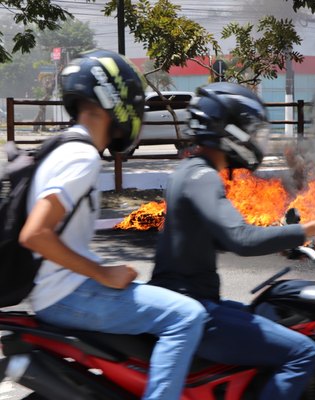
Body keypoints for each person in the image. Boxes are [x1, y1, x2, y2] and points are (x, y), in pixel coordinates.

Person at [19, 49, 206, 400]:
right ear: (114, 101)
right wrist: (102, 273)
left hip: (59, 290)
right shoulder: (81, 155)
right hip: (67, 295)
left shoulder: (64, 146)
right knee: (187, 317)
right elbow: (36, 234)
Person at [150, 82, 315, 400]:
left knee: (268, 315)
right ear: (229, 130)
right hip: (196, 310)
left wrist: (281, 237)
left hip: (186, 301)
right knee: (302, 353)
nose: (254, 139)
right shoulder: (202, 177)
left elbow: (213, 237)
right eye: (249, 129)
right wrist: (312, 228)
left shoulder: (187, 171)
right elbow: (241, 239)